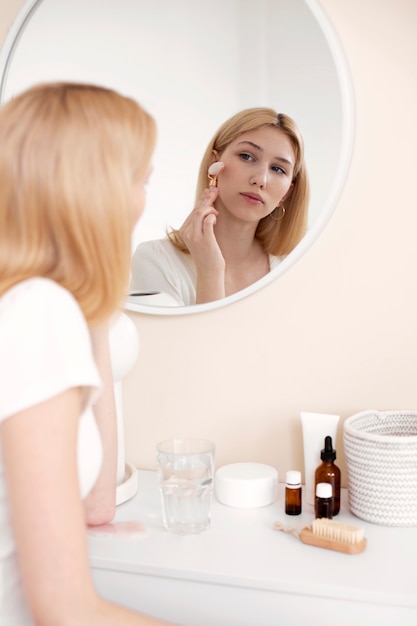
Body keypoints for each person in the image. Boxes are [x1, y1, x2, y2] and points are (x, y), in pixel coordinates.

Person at [0, 82, 175, 626]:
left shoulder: (47, 304)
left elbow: (96, 505)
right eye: (141, 180)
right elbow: (67, 610)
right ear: (97, 191)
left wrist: (97, 294)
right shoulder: (35, 314)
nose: (144, 200)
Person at [130, 107, 309, 306]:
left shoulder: (293, 267)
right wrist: (210, 270)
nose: (260, 179)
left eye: (277, 169)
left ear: (286, 193)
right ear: (214, 163)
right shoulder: (156, 260)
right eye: (247, 157)